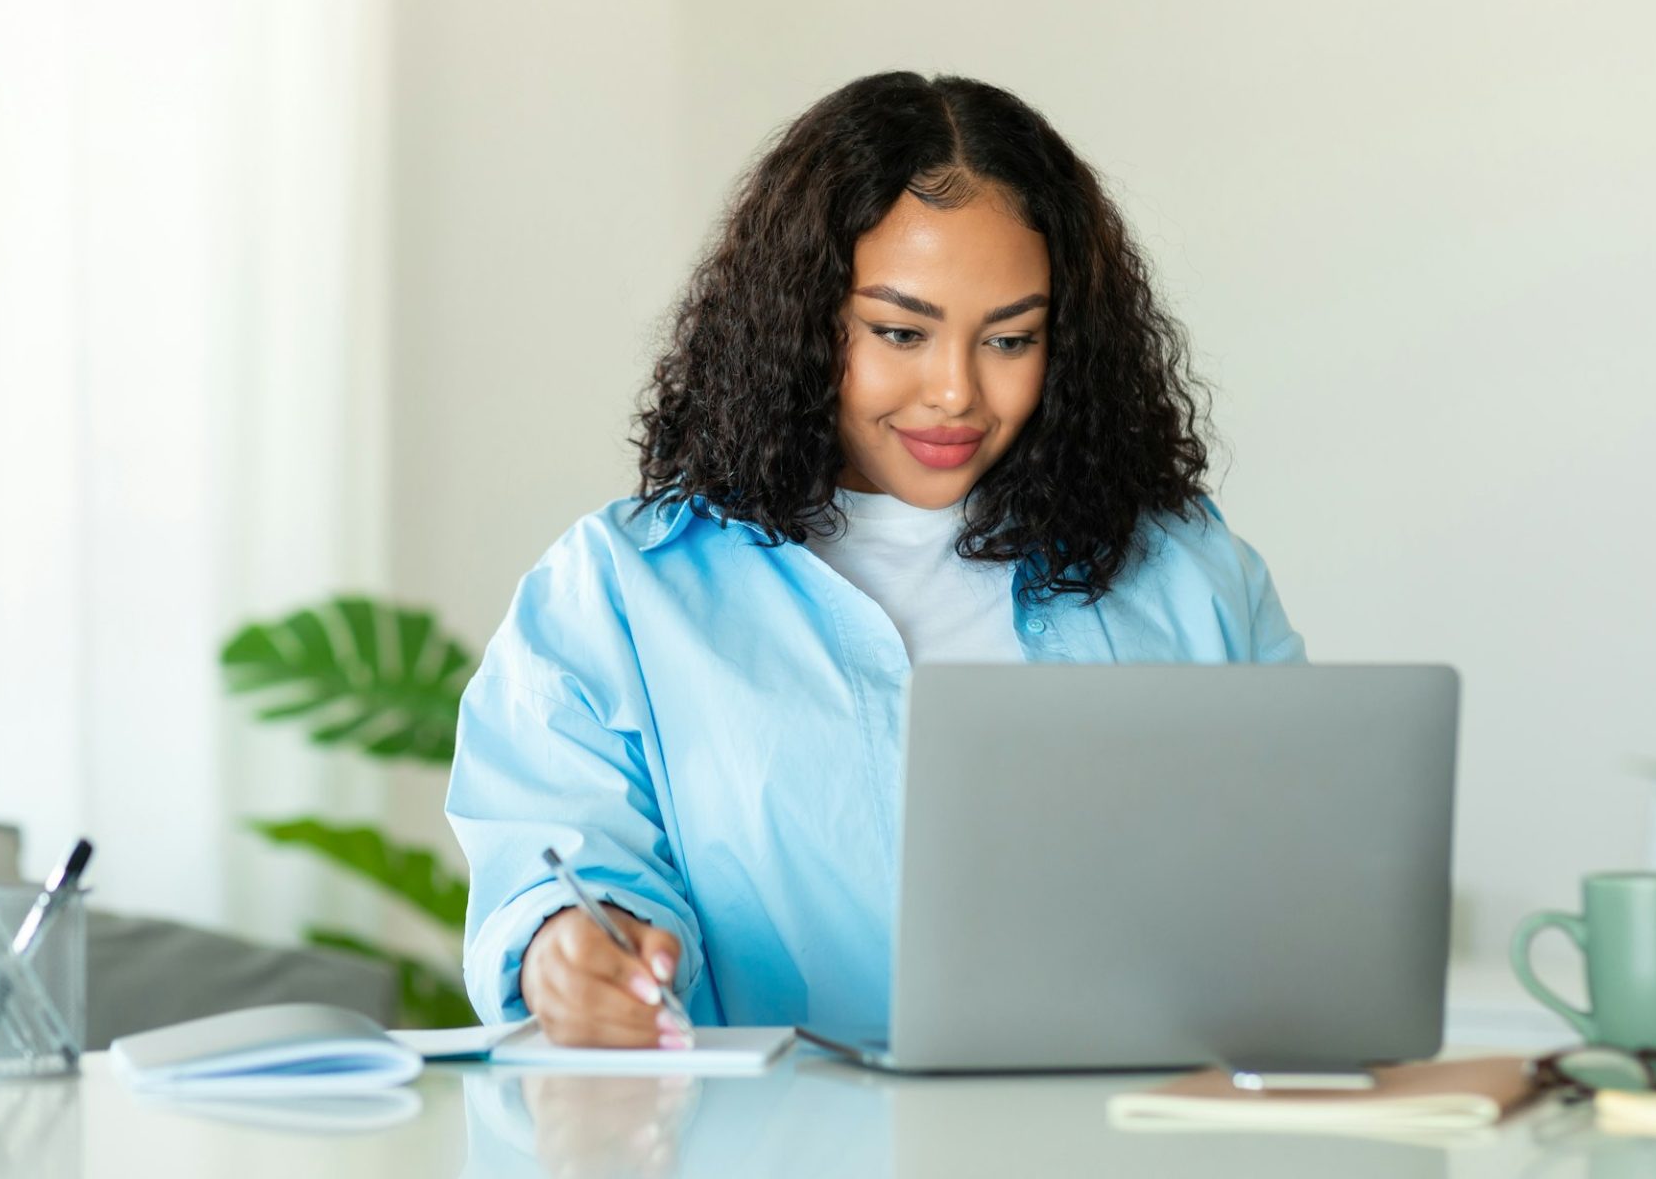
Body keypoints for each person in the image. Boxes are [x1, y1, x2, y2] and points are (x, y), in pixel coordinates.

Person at [445, 71, 1307, 1050]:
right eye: (900, 331)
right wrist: (570, 945)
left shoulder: (1191, 572)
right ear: (803, 318)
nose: (956, 392)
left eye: (1012, 337)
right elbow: (562, 861)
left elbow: (1297, 877)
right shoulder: (620, 590)